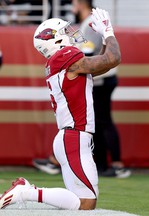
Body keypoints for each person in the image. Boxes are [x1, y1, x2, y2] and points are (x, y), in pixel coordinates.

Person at [0, 7, 121, 210]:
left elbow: (103, 65)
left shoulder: (61, 61)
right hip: (74, 137)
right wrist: (108, 32)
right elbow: (113, 59)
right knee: (85, 202)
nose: (71, 35)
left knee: (83, 202)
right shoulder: (65, 56)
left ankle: (27, 191)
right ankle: (25, 191)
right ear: (54, 40)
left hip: (71, 136)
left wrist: (104, 37)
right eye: (64, 32)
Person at [72, 0, 130, 178]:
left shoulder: (90, 23)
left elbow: (89, 52)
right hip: (100, 77)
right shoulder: (87, 22)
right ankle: (103, 164)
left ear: (81, 3)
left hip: (102, 78)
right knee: (97, 122)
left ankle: (116, 164)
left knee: (103, 121)